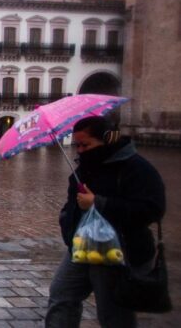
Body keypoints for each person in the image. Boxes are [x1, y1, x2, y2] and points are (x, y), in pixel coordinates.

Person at [45, 116, 166, 328]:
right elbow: (72, 204)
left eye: (85, 144)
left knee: (113, 313)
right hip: (81, 246)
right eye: (77, 145)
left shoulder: (137, 168)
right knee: (61, 295)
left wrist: (99, 203)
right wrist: (67, 223)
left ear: (108, 139)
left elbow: (152, 210)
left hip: (117, 252)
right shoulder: (83, 168)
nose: (80, 150)